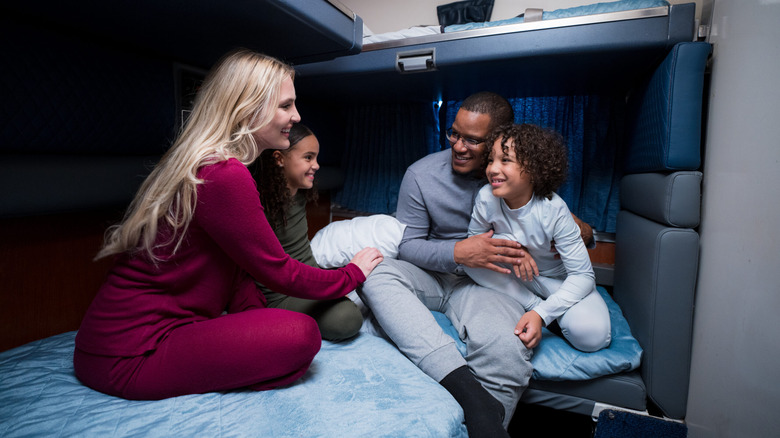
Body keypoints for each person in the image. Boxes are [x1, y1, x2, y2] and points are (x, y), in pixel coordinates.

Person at [73, 49, 383, 400]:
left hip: (120, 343)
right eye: (285, 106)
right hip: (128, 354)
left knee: (287, 338)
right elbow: (278, 272)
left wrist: (255, 327)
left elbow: (235, 271)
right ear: (248, 108)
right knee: (302, 336)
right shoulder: (224, 174)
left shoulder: (215, 166)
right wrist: (352, 274)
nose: (296, 116)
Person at [358, 92, 596, 437]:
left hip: (489, 284)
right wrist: (459, 252)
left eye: (473, 140)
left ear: (500, 142)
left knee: (507, 348)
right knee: (376, 273)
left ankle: (489, 427)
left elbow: (562, 226)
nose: (458, 146)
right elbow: (408, 247)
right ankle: (468, 393)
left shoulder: (516, 173)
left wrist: (581, 232)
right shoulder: (421, 175)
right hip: (433, 275)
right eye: (454, 134)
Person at [465, 123, 611, 353]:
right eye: (491, 160)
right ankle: (531, 303)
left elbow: (583, 276)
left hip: (557, 281)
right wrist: (514, 251)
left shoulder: (554, 209)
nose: (493, 169)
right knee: (469, 262)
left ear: (533, 169)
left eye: (505, 160)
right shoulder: (486, 197)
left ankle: (543, 309)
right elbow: (473, 244)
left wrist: (542, 315)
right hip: (518, 278)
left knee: (592, 337)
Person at [252, 123, 363, 341]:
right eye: (308, 158)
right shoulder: (259, 203)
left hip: (308, 278)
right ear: (279, 159)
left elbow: (334, 176)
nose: (316, 165)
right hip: (279, 294)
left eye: (317, 158)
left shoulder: (301, 190)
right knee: (346, 319)